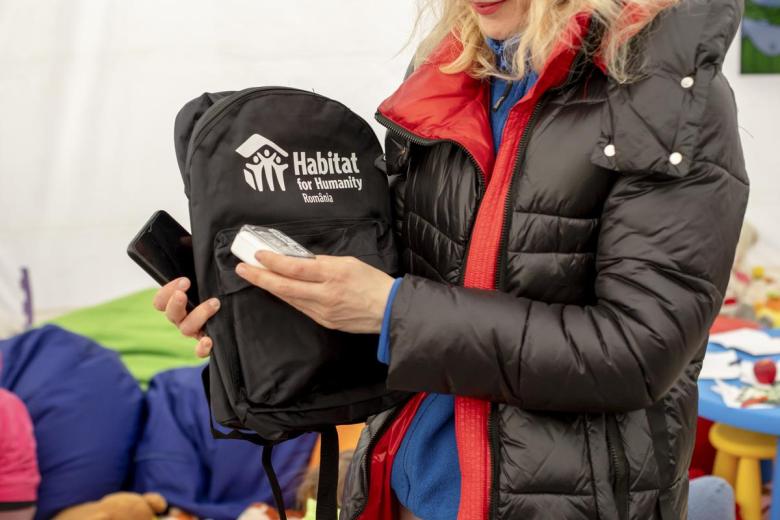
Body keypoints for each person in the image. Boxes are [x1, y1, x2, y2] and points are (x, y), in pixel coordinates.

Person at [153, 0, 749, 517]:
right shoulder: (452, 72)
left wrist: (391, 310)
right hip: (409, 484)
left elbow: (637, 353)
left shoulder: (669, 96)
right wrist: (250, 308)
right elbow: (400, 290)